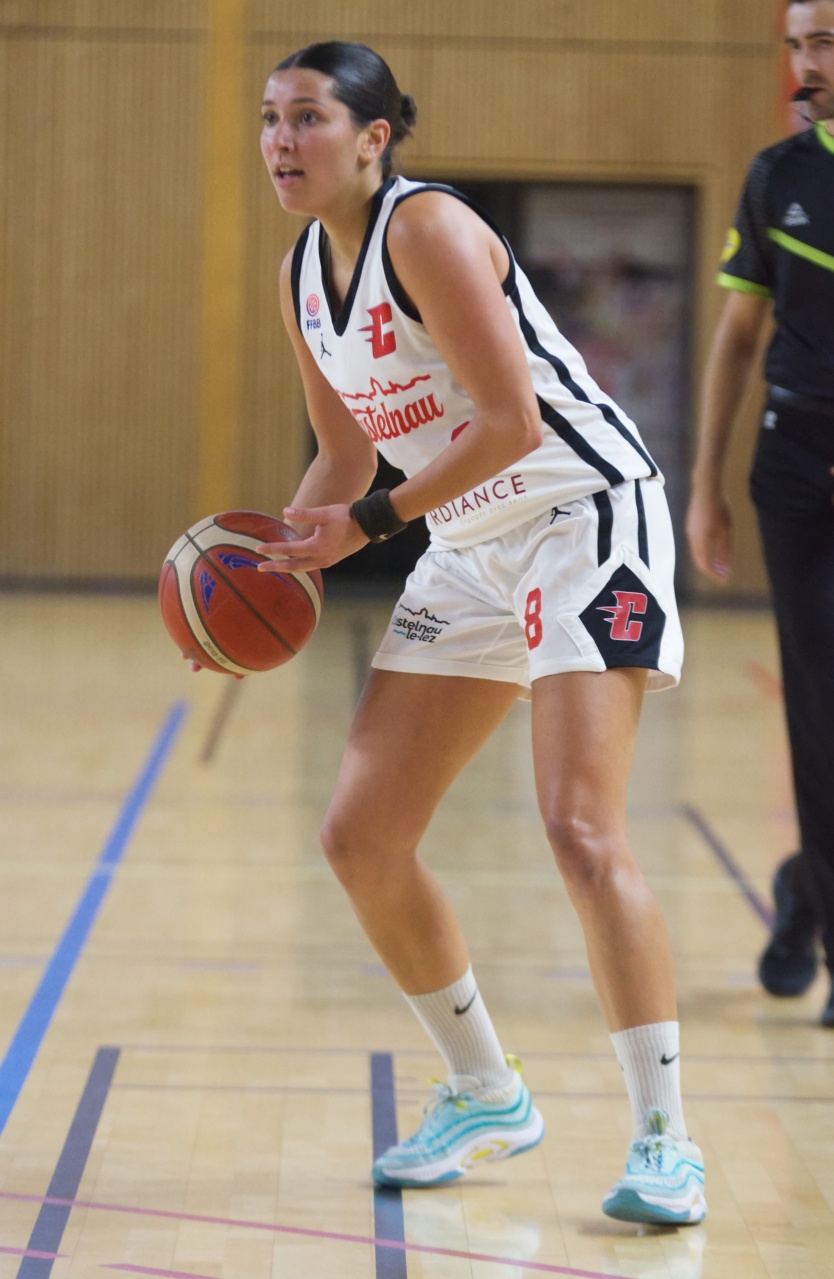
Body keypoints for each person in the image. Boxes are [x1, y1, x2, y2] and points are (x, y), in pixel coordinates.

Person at [256, 40, 706, 1223]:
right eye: (270, 119)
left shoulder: (429, 230)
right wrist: (262, 572)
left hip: (580, 514)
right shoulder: (301, 271)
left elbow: (510, 422)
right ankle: (486, 1092)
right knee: (361, 836)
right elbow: (344, 456)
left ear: (373, 137)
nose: (280, 141)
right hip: (467, 540)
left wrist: (366, 526)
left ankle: (666, 1138)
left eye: (306, 118)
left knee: (579, 826)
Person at [686, 0, 834, 1029]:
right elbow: (738, 338)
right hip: (797, 467)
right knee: (820, 714)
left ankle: (803, 889)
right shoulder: (777, 176)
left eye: (822, 40)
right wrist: (705, 485)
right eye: (795, 42)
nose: (803, 62)